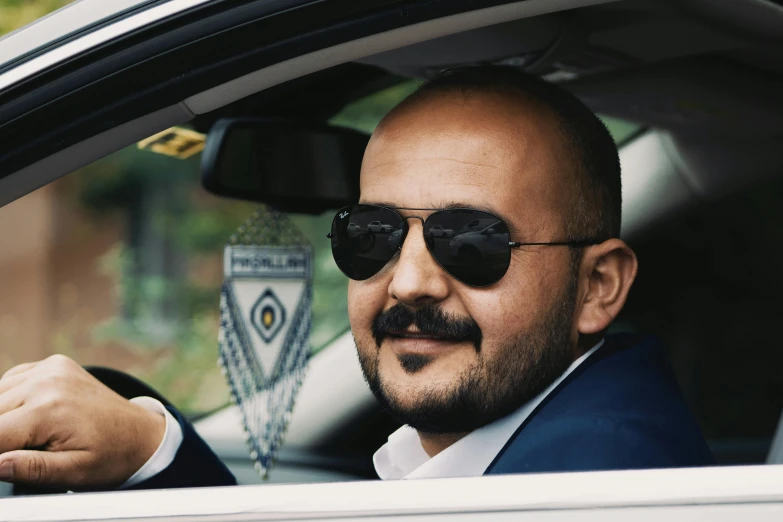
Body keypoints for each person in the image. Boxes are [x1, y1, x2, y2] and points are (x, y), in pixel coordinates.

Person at [0, 66, 714, 491]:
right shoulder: (566, 435)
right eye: (369, 235)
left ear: (598, 286)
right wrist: (147, 449)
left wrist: (153, 455)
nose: (407, 282)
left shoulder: (597, 481)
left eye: (469, 240)